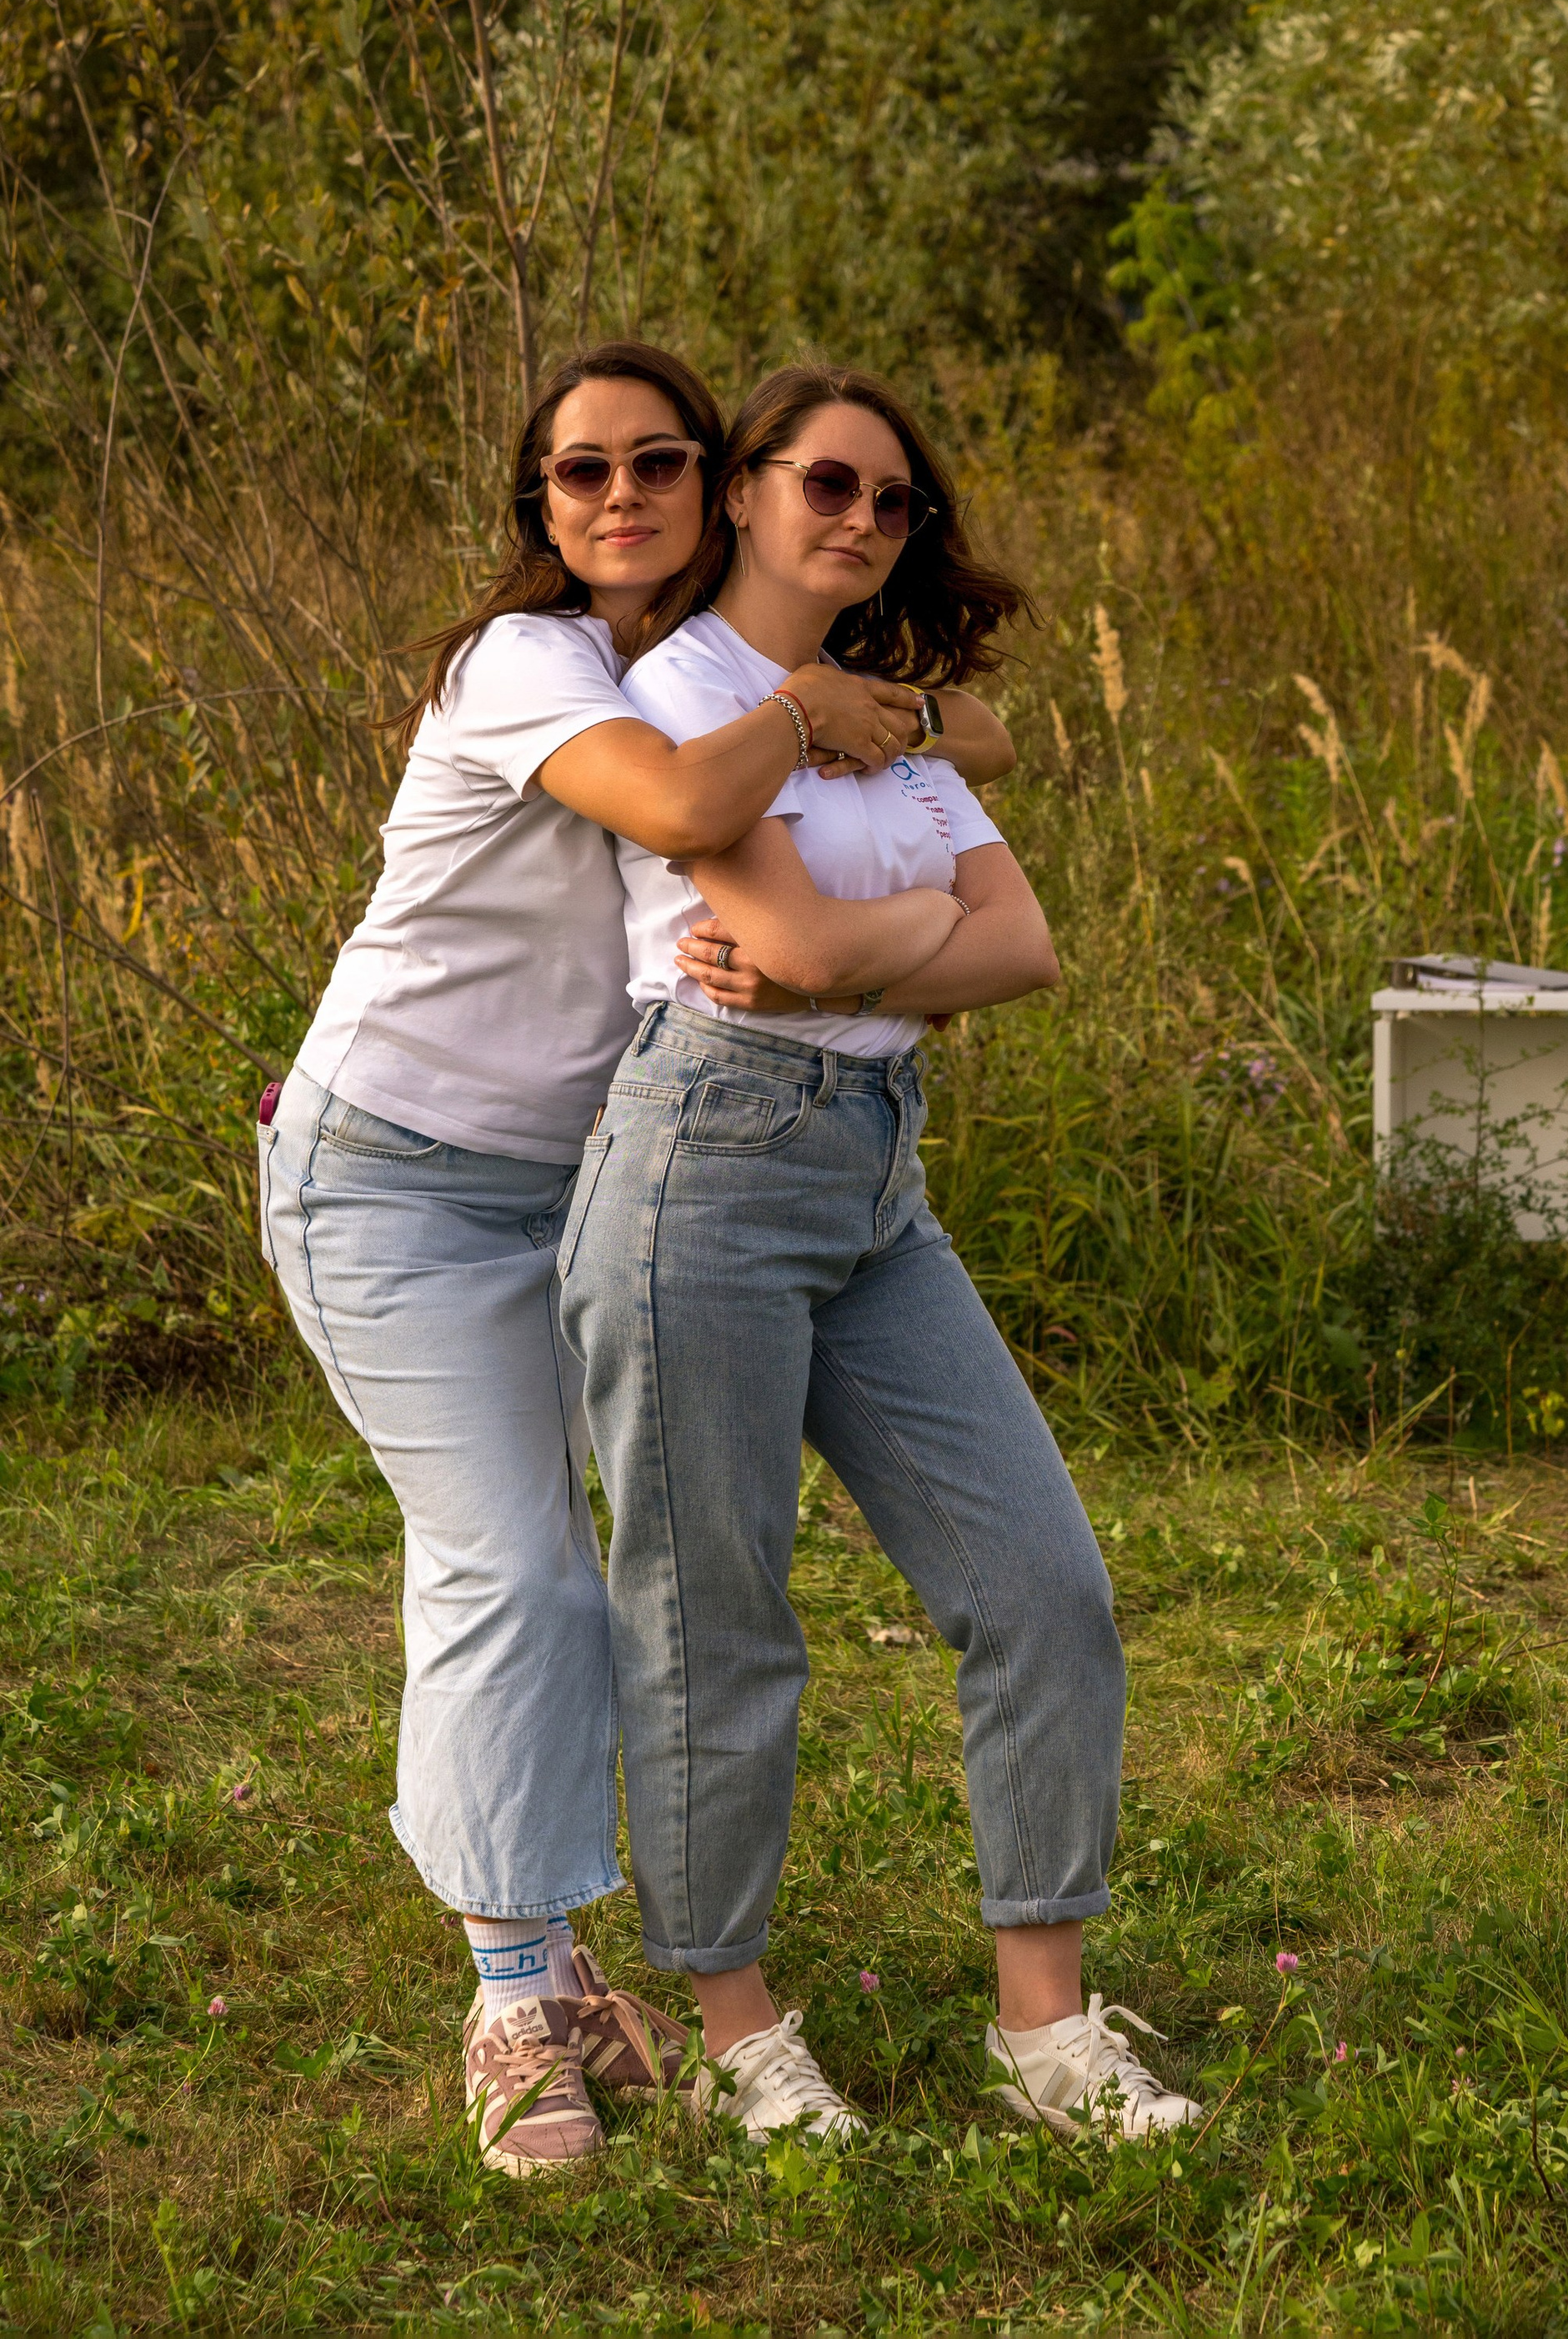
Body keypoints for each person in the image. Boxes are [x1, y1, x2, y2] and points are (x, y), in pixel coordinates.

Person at [258, 338, 1014, 2174]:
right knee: (517, 1570)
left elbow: (974, 741)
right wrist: (821, 712)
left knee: (576, 1575)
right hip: (399, 1179)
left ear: (716, 480)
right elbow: (684, 814)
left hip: (590, 1183)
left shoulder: (717, 669)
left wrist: (874, 725)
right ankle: (514, 1995)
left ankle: (552, 1944)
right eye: (575, 473)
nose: (617, 498)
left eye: (656, 462)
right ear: (537, 509)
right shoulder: (526, 663)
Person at [560, 363, 1205, 2150]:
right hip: (705, 1163)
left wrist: (875, 931)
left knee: (1043, 1588)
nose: (858, 520)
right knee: (714, 1620)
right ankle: (736, 2024)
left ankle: (1044, 2030)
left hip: (870, 1178)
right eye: (826, 486)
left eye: (892, 503)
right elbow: (797, 937)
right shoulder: (683, 695)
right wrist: (890, 940)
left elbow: (1026, 950)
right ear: (749, 492)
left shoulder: (895, 728)